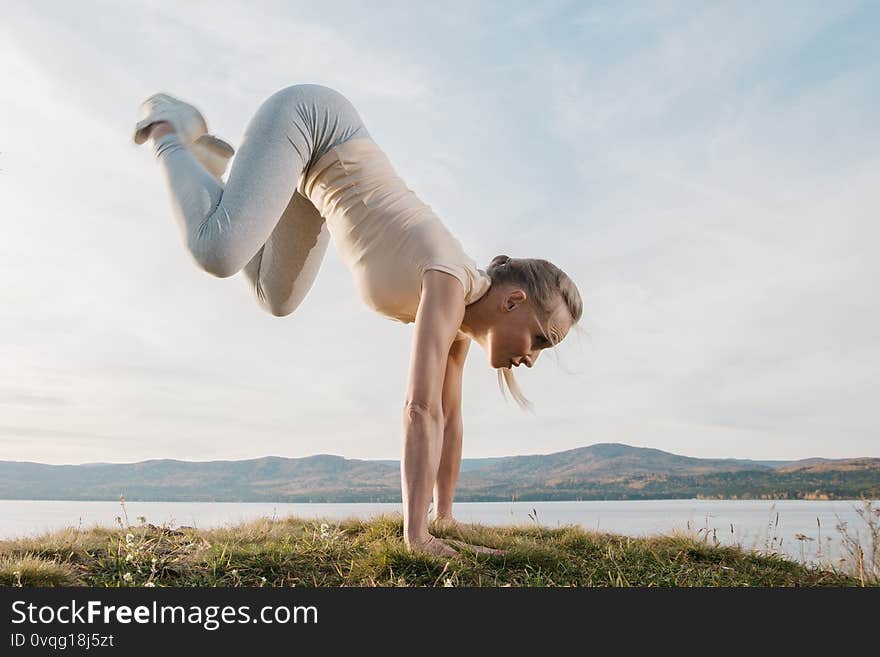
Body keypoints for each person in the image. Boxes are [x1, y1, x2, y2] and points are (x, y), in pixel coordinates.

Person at [132, 83, 582, 557]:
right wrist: (417, 537)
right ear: (513, 301)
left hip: (311, 178)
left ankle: (214, 180)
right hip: (312, 123)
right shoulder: (449, 282)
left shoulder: (461, 314)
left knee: (275, 298)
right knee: (218, 251)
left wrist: (443, 520)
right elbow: (420, 410)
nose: (532, 357)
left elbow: (449, 421)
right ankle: (167, 126)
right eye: (540, 340)